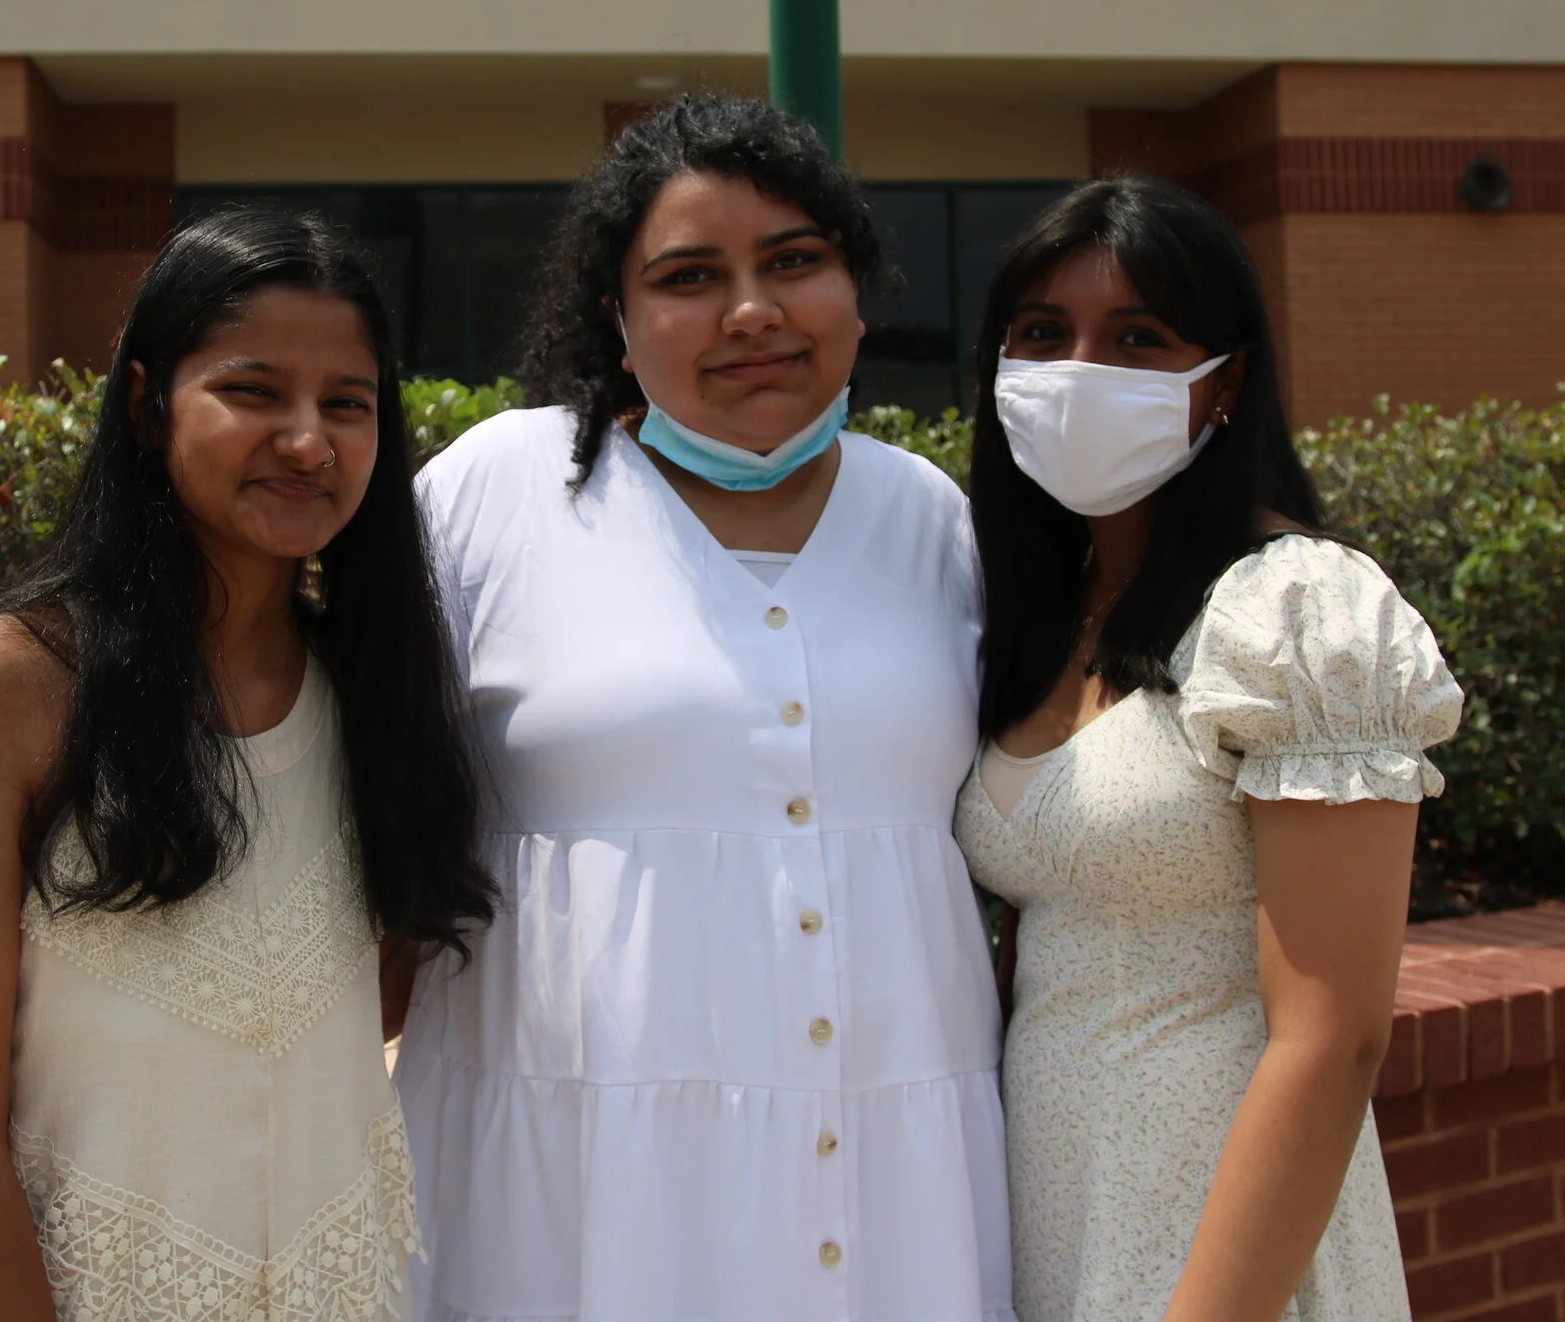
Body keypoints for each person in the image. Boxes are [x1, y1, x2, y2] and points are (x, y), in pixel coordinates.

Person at [390, 95, 1011, 1322]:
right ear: (615, 321)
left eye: (794, 261)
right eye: (688, 277)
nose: (751, 311)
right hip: (567, 1182)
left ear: (857, 290)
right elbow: (332, 767)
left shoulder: (933, 518)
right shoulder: (494, 493)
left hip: (896, 1176)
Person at [0, 207, 492, 1322]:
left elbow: (365, 1007)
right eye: (253, 390)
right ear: (146, 404)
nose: (307, 440)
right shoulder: (4, 689)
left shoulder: (376, 697)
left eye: (346, 403)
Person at [953, 177, 1460, 1322]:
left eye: (1137, 338)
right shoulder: (1040, 614)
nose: (1081, 369)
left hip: (1225, 1248)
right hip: (1053, 1216)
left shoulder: (1297, 609)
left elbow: (1332, 1038)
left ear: (1224, 381)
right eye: (1043, 333)